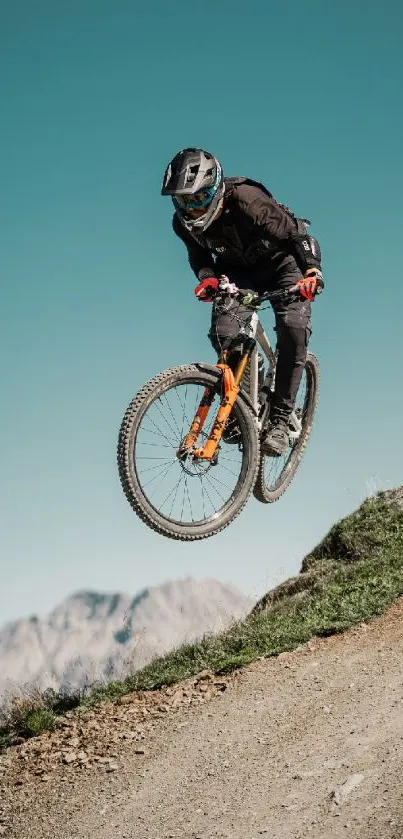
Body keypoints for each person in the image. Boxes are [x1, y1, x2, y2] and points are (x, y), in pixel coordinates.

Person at [161, 147, 323, 456]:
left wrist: (312, 272)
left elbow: (298, 236)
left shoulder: (249, 201)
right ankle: (244, 400)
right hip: (238, 273)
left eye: (199, 198)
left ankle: (279, 418)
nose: (192, 208)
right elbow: (198, 255)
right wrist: (207, 276)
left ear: (216, 187)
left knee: (292, 328)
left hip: (284, 266)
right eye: (184, 200)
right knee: (225, 334)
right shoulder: (181, 223)